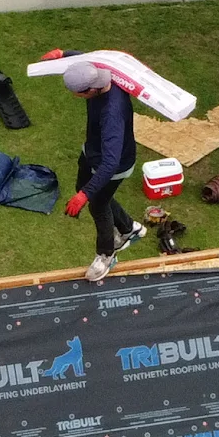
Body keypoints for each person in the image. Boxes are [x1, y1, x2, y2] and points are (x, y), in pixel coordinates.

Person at [58, 59, 142, 281]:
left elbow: (110, 164)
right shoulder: (101, 72)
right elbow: (88, 57)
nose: (76, 96)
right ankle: (128, 228)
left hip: (114, 166)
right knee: (83, 186)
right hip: (92, 151)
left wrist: (85, 195)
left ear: (91, 89)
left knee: (98, 204)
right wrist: (64, 54)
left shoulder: (111, 113)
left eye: (79, 93)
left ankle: (106, 254)